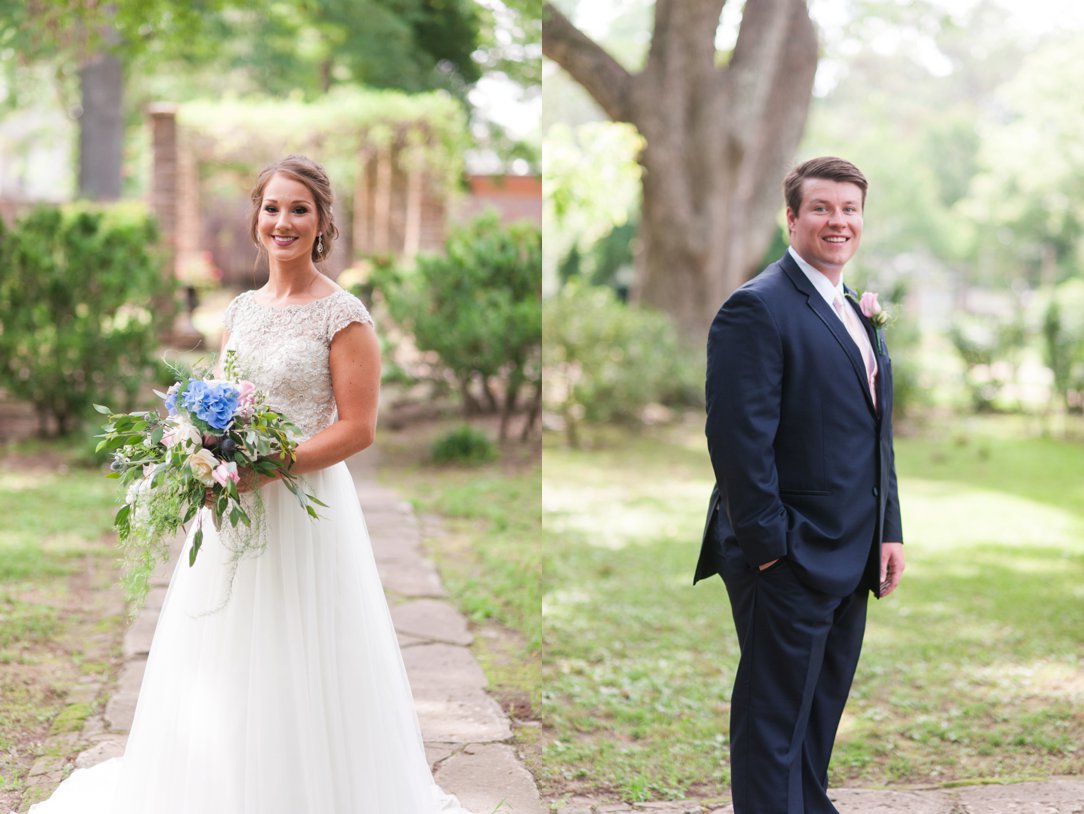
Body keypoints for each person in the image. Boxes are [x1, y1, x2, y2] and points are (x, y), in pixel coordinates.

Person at [29, 155, 472, 814]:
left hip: (303, 507)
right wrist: (193, 454)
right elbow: (221, 397)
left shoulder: (342, 316)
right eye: (272, 208)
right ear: (256, 219)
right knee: (225, 650)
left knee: (302, 651)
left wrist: (267, 467)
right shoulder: (241, 309)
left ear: (322, 221)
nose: (283, 221)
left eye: (299, 209)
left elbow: (357, 429)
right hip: (232, 504)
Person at [695, 156, 905, 814]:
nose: (837, 221)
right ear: (792, 219)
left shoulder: (848, 307)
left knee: (816, 719)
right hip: (787, 555)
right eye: (821, 208)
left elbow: (875, 434)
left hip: (852, 549)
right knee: (772, 722)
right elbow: (736, 440)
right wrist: (769, 549)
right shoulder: (756, 309)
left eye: (849, 209)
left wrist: (890, 530)